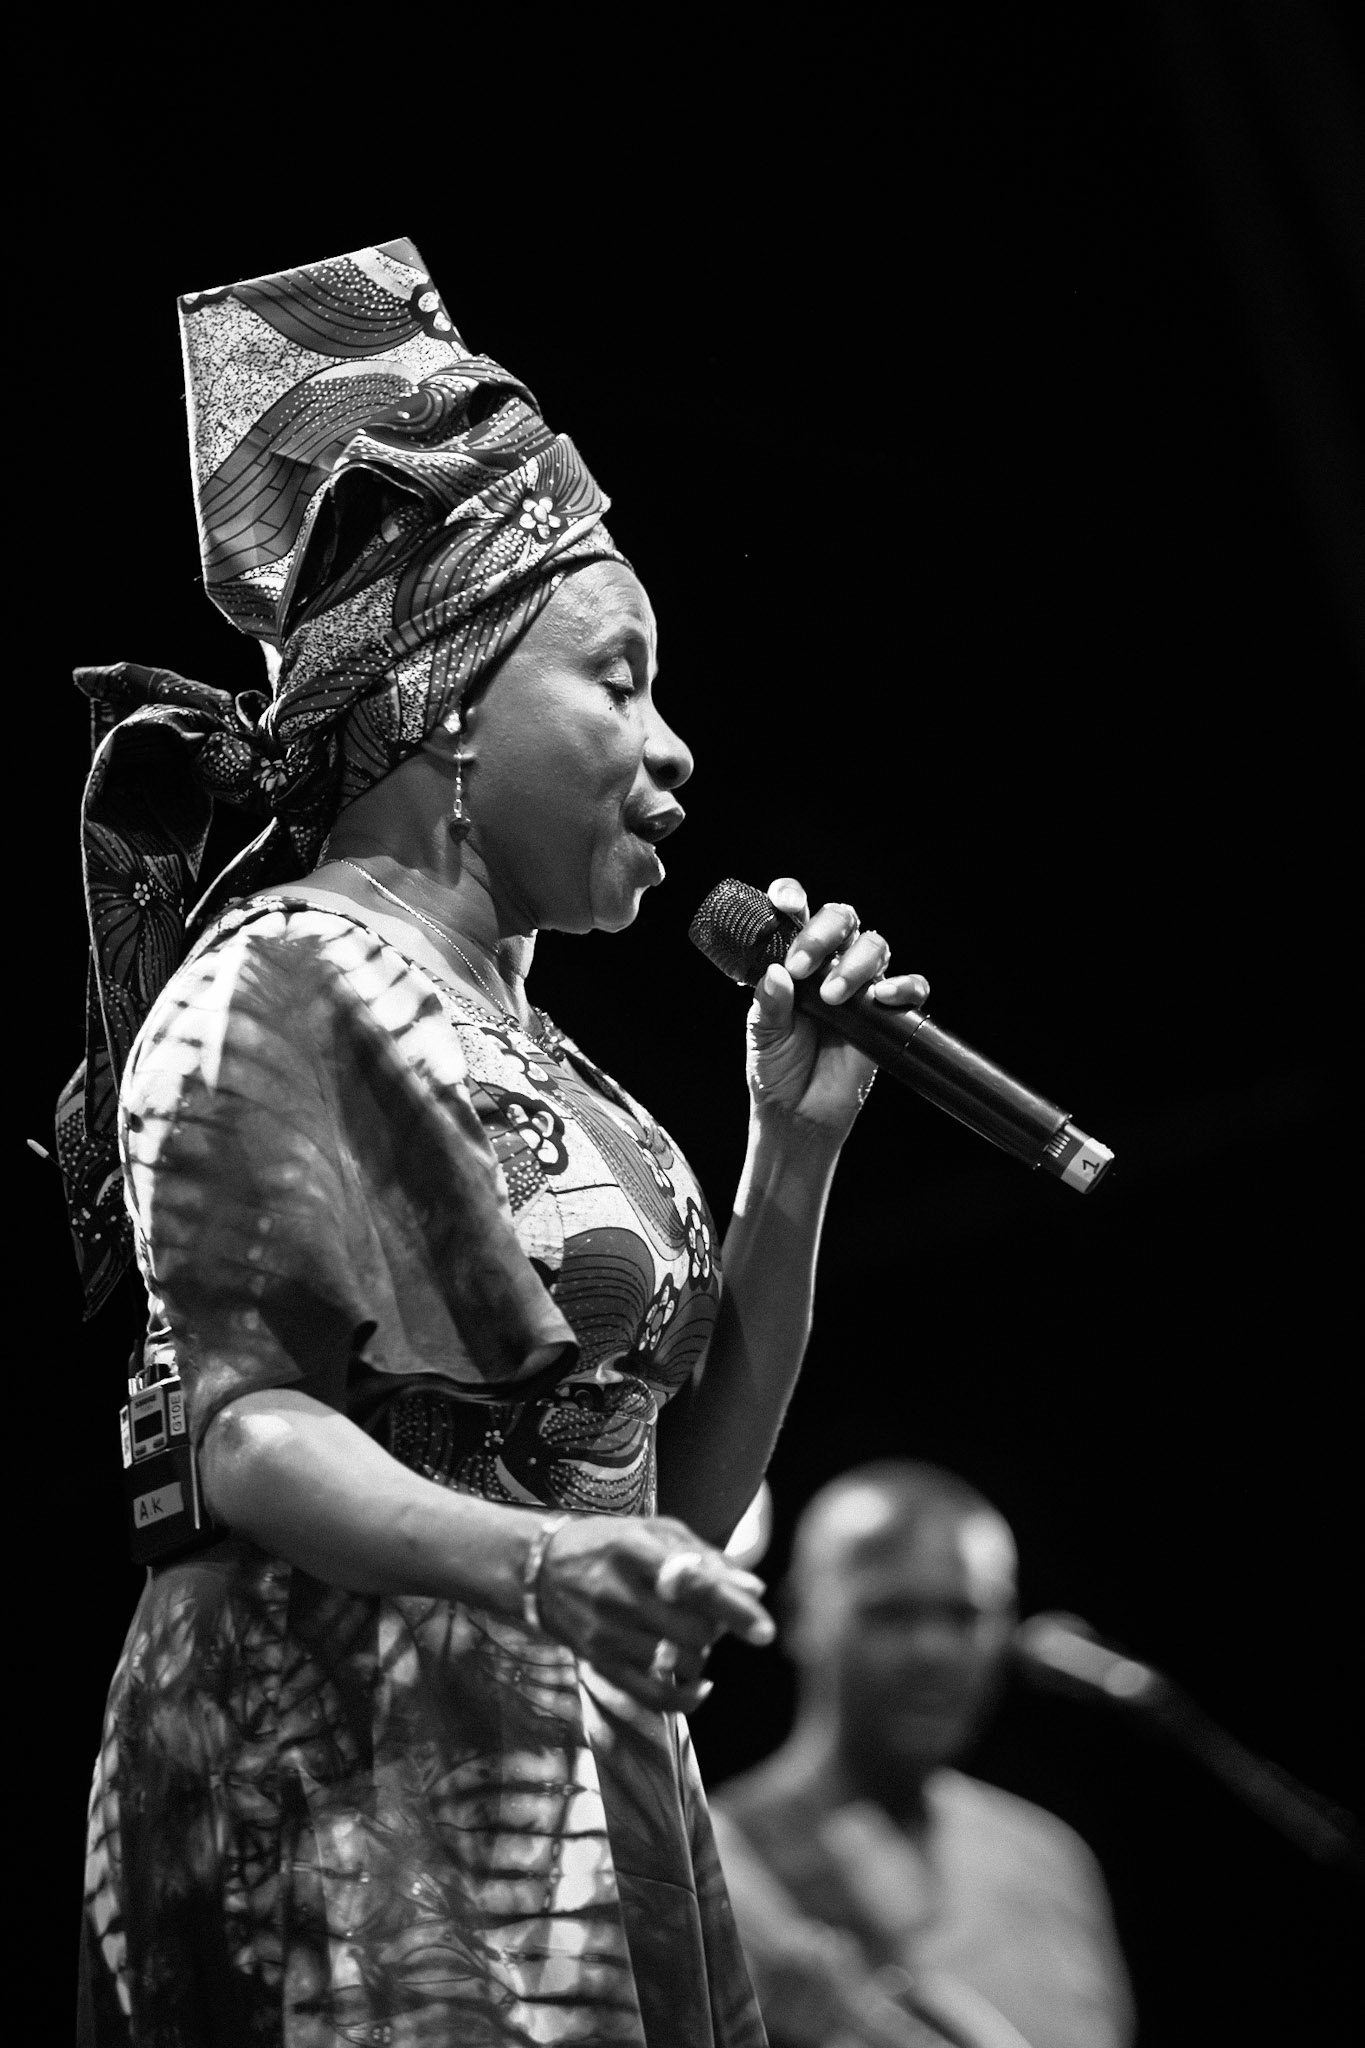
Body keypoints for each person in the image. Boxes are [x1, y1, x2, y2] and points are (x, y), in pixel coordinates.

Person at [61, 237, 930, 2048]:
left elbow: (665, 1501)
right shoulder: (285, 975)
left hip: (573, 1771)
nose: (674, 746)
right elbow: (244, 1434)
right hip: (349, 1773)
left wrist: (794, 1149)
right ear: (454, 693)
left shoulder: (582, 1079)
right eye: (620, 677)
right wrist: (536, 1565)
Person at [710, 1463, 1135, 2048]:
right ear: (800, 1615)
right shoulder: (712, 1864)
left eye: (965, 1616)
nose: (932, 1652)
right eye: (891, 1614)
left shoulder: (1049, 1860)